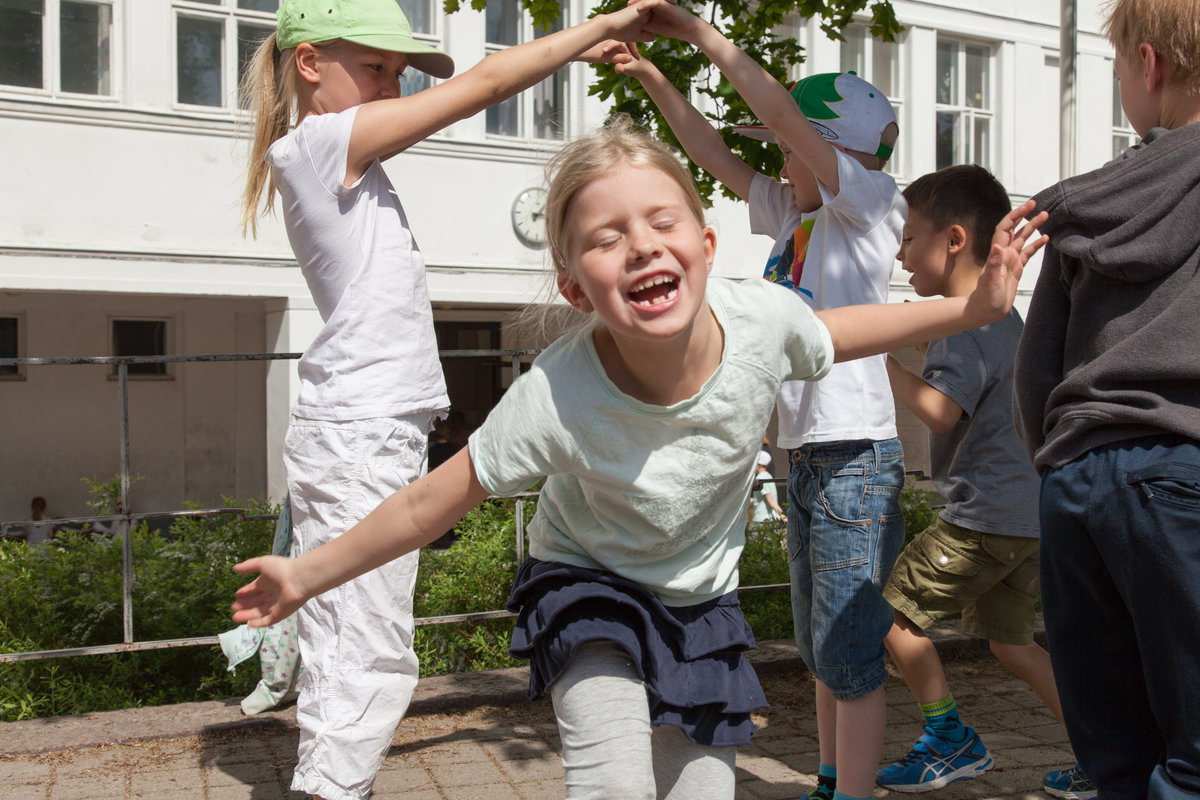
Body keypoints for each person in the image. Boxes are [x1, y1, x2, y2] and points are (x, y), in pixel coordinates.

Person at [232, 115, 1046, 800]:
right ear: (576, 288)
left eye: (662, 223)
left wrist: (967, 307)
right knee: (615, 777)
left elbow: (843, 331)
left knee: (701, 787)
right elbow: (426, 502)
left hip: (698, 598)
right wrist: (308, 574)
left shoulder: (761, 321)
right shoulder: (556, 396)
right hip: (588, 584)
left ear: (705, 241)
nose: (643, 248)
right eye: (608, 238)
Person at [237, 2, 667, 798]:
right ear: (308, 65)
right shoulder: (325, 143)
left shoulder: (337, 160)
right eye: (376, 68)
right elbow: (489, 80)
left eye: (397, 73)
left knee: (352, 643)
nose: (392, 86)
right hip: (360, 430)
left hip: (368, 426)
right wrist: (591, 29)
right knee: (368, 650)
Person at [592, 8, 908, 799]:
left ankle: (854, 795)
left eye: (790, 148)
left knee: (850, 650)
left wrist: (703, 38)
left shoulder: (865, 209)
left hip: (854, 455)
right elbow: (710, 152)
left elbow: (775, 118)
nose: (776, 162)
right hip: (807, 453)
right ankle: (832, 782)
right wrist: (654, 79)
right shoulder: (795, 218)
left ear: (831, 148)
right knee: (819, 647)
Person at [1012, 1, 1200, 797]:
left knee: (1113, 756)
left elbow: (1037, 365)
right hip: (1185, 469)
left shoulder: (1087, 203)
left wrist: (1055, 466)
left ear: (1149, 66)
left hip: (1076, 478)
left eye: (1118, 69)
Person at [876, 165, 1092, 798]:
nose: (900, 251)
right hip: (1027, 514)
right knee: (1012, 644)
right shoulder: (1001, 320)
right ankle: (1101, 754)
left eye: (910, 237)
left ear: (952, 240)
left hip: (983, 518)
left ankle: (951, 740)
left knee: (889, 616)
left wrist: (884, 364)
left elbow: (943, 410)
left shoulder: (961, 323)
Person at [751, 451, 786, 525]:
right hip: (770, 519)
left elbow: (770, 501)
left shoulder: (760, 478)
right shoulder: (768, 476)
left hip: (762, 520)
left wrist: (783, 517)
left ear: (759, 465)